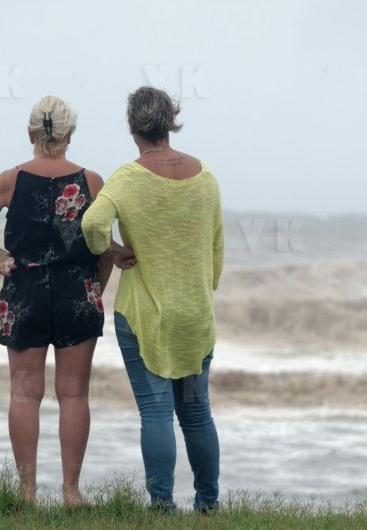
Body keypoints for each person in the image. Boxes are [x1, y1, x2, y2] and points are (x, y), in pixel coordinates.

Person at [0, 96, 131, 506]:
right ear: (70, 134)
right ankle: (72, 493)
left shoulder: (11, 180)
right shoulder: (92, 181)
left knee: (23, 394)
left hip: (25, 292)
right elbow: (102, 243)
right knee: (73, 395)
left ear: (30, 133)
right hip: (77, 293)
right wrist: (109, 267)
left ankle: (27, 493)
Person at [81, 86, 224, 514]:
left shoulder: (127, 177)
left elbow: (92, 224)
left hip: (144, 314)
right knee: (197, 415)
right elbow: (216, 251)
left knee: (156, 414)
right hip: (196, 316)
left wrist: (110, 251)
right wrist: (200, 290)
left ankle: (162, 508)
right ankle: (209, 506)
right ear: (170, 121)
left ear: (132, 127)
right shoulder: (206, 178)